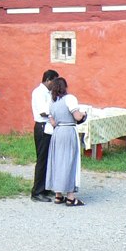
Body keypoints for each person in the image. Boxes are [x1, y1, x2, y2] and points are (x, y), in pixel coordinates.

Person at [46, 77, 87, 206]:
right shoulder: (70, 99)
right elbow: (77, 116)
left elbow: (52, 122)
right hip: (68, 131)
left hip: (57, 132)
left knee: (58, 161)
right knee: (70, 162)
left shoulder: (53, 102)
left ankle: (58, 195)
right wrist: (84, 114)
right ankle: (70, 197)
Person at [30, 69, 58, 202]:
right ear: (48, 80)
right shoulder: (38, 92)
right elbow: (43, 112)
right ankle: (37, 192)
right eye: (54, 81)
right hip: (42, 127)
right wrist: (55, 114)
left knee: (49, 159)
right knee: (42, 160)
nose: (55, 84)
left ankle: (46, 188)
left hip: (49, 127)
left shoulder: (49, 93)